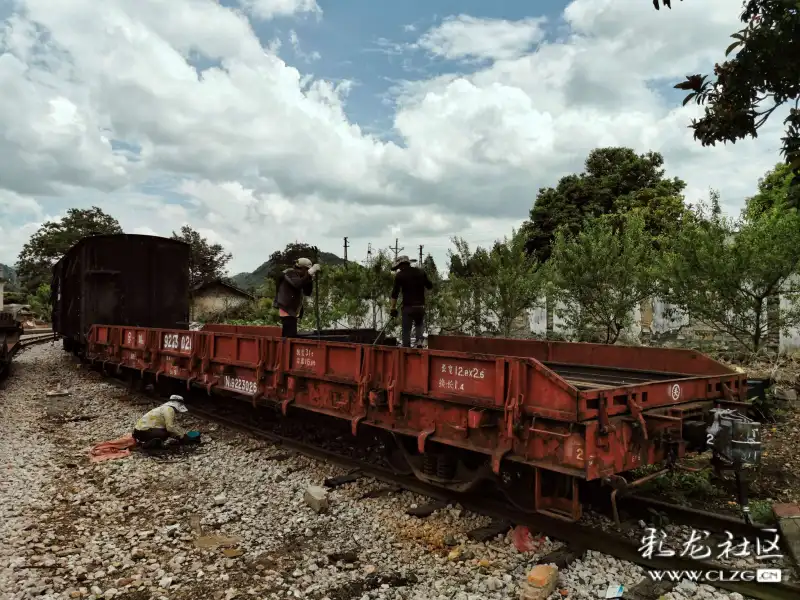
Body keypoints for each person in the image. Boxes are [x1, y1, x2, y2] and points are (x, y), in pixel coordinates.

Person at [389, 255, 433, 348]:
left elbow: (395, 294)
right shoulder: (421, 272)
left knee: (406, 330)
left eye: (398, 267)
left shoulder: (400, 275)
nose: (398, 269)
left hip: (408, 307)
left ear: (401, 265)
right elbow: (430, 286)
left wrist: (393, 308)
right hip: (420, 307)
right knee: (419, 325)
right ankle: (419, 343)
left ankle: (406, 348)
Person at [273, 258, 320, 337]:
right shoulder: (289, 273)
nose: (308, 271)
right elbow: (297, 284)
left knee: (291, 334)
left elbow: (307, 292)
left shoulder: (300, 277)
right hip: (286, 309)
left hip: (292, 310)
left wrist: (310, 278)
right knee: (289, 336)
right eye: (307, 269)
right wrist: (308, 274)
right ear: (303, 268)